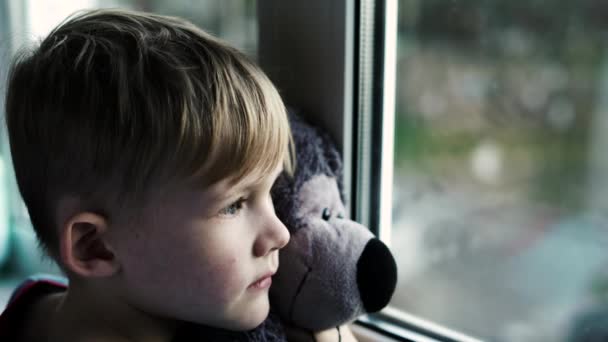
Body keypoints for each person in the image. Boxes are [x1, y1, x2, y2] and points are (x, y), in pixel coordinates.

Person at [0, 8, 355, 342]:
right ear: (95, 246)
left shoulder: (33, 304)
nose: (280, 234)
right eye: (233, 205)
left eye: (271, 190)